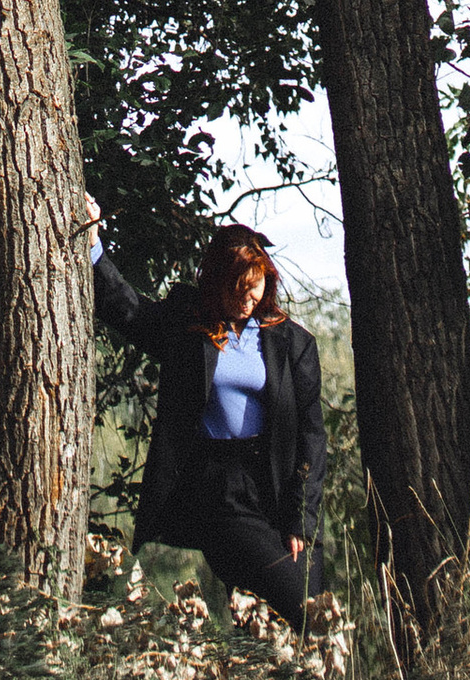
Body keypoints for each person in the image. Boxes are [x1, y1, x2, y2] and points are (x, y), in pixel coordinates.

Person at [85, 193, 327, 631]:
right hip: (219, 490)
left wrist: (301, 519)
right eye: (237, 289)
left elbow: (312, 436)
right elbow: (130, 311)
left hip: (276, 491)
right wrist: (93, 246)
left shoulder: (291, 343)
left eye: (255, 287)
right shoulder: (189, 326)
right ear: (215, 281)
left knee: (304, 607)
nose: (247, 299)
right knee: (297, 602)